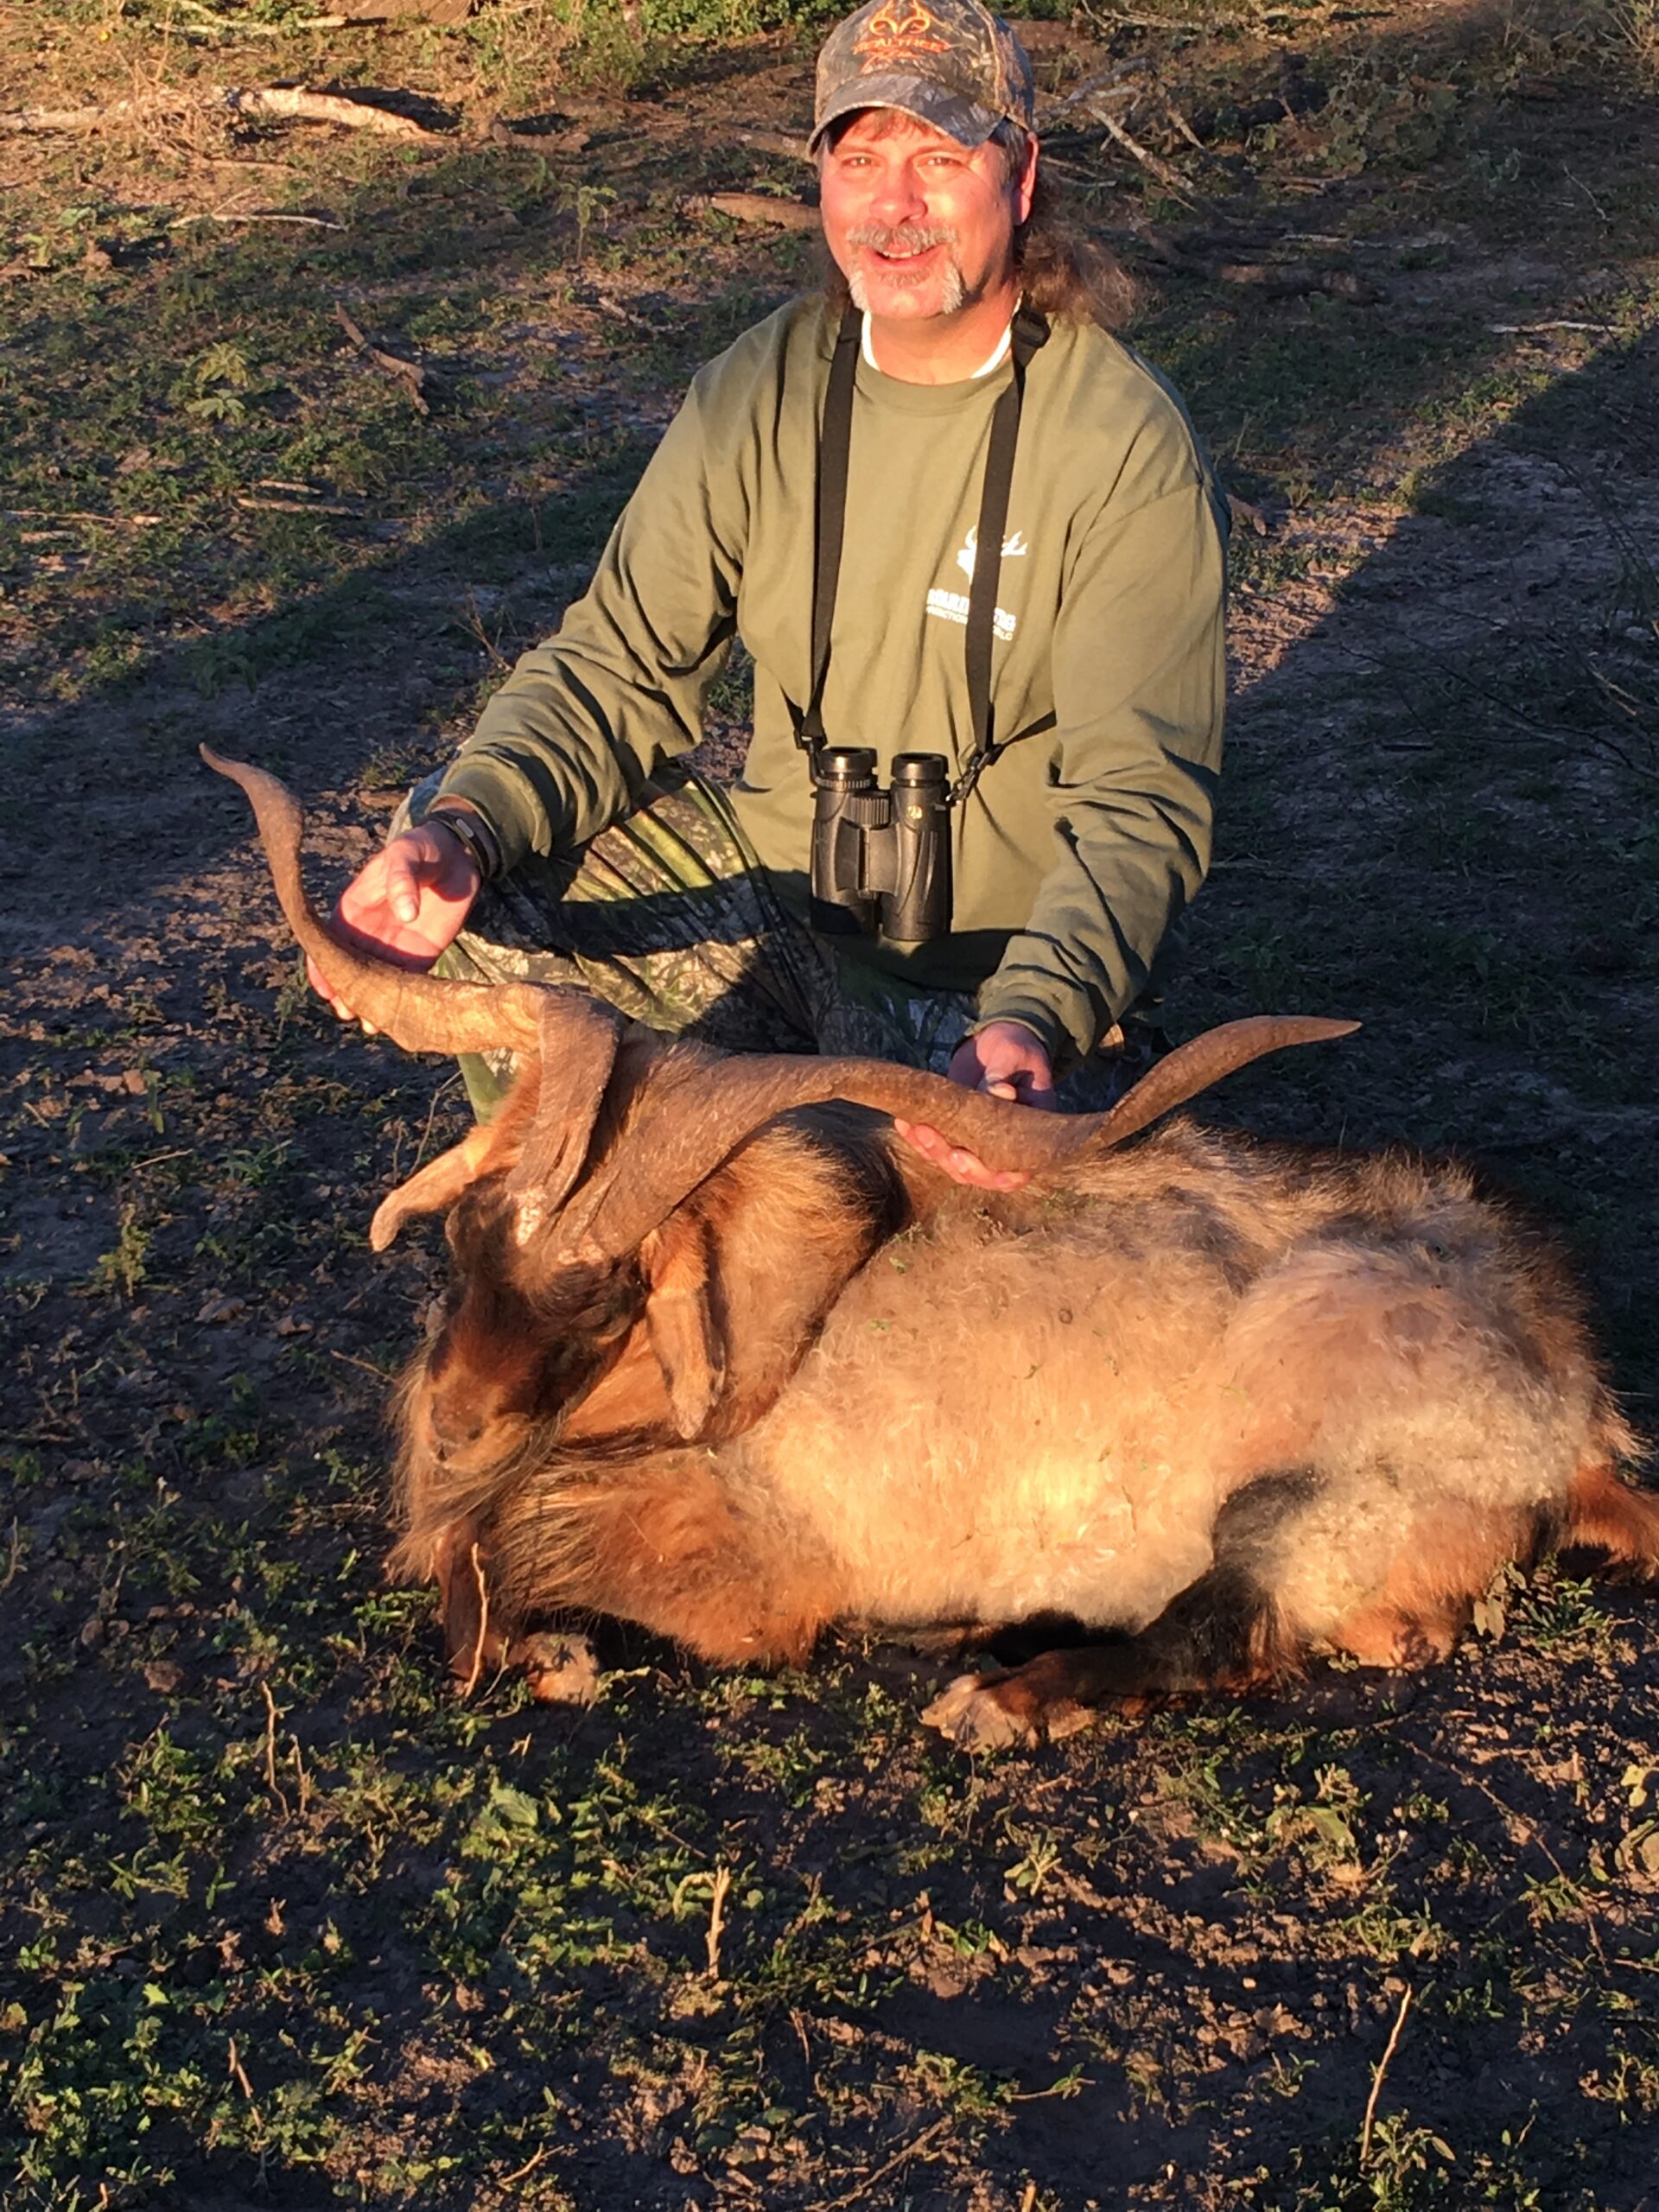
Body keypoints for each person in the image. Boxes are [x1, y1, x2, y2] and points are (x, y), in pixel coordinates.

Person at [313, 0, 1228, 1190]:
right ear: (824, 184)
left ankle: (762, 1163)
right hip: (779, 913)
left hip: (980, 999)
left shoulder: (1122, 443)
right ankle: (572, 1238)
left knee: (1017, 1264)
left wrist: (1035, 1017)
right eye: (859, 161)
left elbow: (1139, 801)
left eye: (939, 159)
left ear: (1023, 175)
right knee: (475, 870)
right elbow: (614, 670)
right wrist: (456, 831)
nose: (893, 207)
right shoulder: (761, 385)